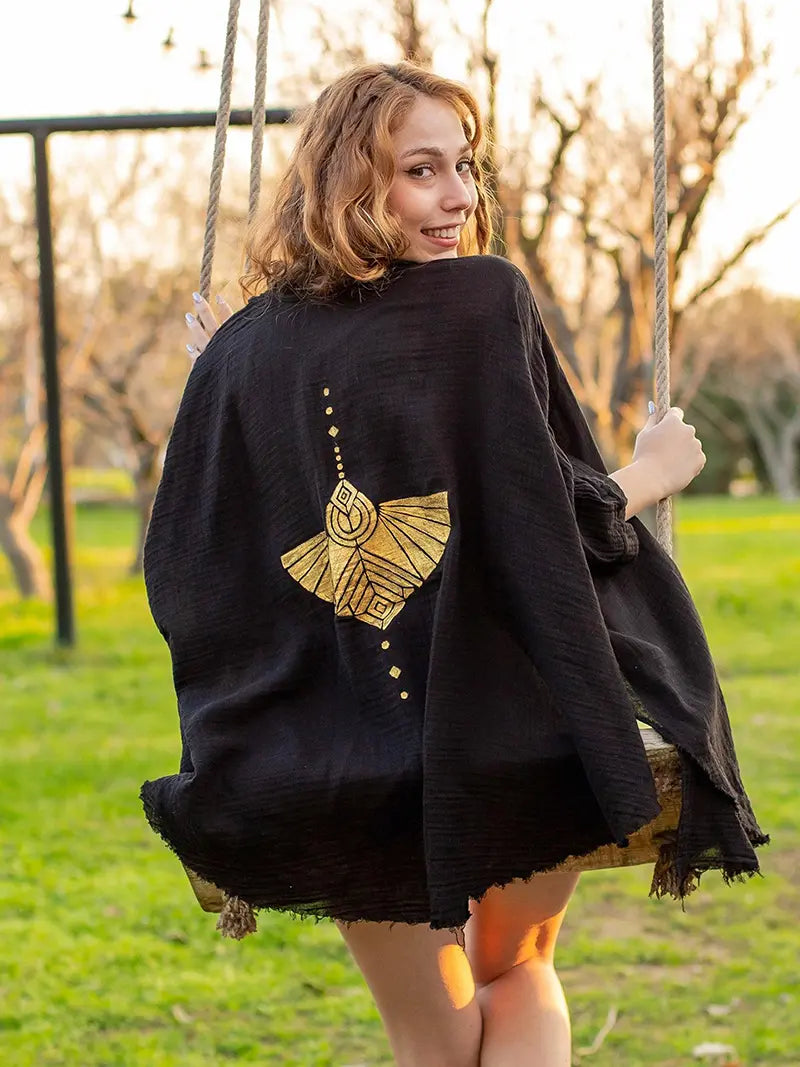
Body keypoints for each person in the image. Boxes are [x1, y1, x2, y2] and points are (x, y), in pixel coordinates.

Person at [143, 61, 767, 1067]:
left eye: (462, 167)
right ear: (350, 183)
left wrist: (231, 376)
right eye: (418, 170)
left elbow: (196, 558)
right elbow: (533, 522)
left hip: (332, 758)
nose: (457, 197)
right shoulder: (483, 299)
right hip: (515, 731)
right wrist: (647, 474)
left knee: (432, 1046)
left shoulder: (244, 347)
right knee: (516, 973)